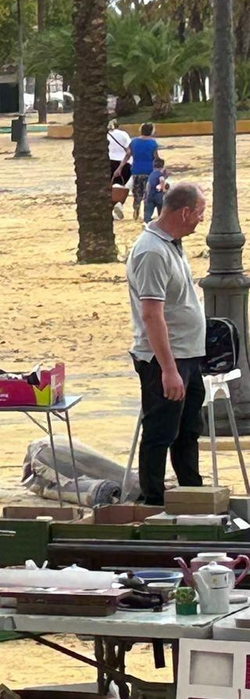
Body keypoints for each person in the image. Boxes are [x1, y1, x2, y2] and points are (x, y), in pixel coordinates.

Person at [127, 182, 209, 506]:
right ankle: (154, 501)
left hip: (187, 355)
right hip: (164, 360)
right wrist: (169, 370)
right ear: (185, 212)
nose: (202, 219)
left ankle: (193, 495)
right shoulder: (152, 251)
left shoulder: (171, 244)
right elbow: (151, 315)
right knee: (161, 432)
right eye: (200, 212)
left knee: (188, 431)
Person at [124, 123, 161, 221]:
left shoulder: (134, 142)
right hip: (149, 171)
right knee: (147, 193)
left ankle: (136, 208)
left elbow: (128, 154)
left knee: (137, 192)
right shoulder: (153, 143)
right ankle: (146, 214)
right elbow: (155, 157)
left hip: (136, 170)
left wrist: (120, 167)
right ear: (151, 131)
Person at [107, 120, 133, 219]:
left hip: (109, 162)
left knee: (109, 188)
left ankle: (110, 210)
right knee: (122, 188)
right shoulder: (123, 134)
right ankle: (119, 204)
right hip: (124, 163)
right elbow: (129, 150)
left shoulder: (104, 136)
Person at [143, 154, 171, 224]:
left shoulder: (151, 174)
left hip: (150, 195)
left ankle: (146, 221)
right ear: (163, 166)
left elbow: (148, 185)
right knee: (161, 210)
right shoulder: (160, 174)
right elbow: (162, 180)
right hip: (158, 195)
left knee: (148, 211)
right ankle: (161, 221)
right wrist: (163, 189)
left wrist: (146, 195)